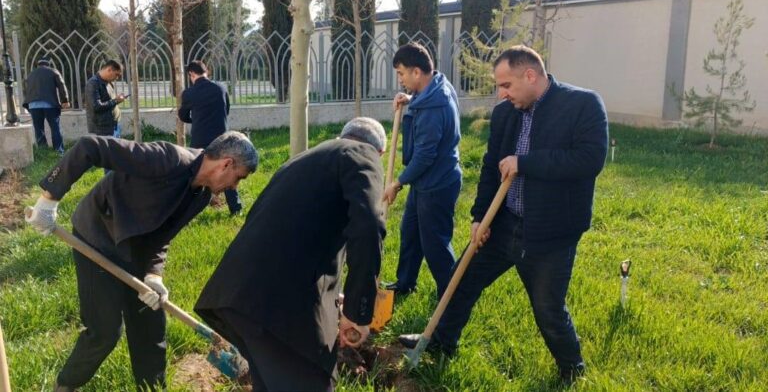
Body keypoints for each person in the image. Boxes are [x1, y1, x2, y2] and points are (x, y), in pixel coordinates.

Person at [397, 45, 609, 384]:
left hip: (550, 233)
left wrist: (524, 163)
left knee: (548, 309)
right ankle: (440, 343)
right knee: (460, 281)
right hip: (504, 222)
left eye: (506, 85)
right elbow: (490, 168)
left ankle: (572, 369)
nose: (502, 93)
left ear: (530, 75)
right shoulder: (506, 113)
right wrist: (480, 217)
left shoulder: (582, 105)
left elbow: (589, 159)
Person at [25, 131, 258, 392]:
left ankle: (152, 389)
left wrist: (154, 276)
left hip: (136, 248)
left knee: (151, 327)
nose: (235, 187)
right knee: (104, 332)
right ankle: (65, 385)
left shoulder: (201, 196)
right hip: (97, 238)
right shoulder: (167, 160)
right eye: (239, 178)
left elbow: (163, 234)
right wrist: (48, 200)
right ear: (226, 164)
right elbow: (90, 146)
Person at [195, 117, 387, 391]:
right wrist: (358, 313)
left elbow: (301, 234)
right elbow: (368, 226)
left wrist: (336, 297)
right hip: (277, 309)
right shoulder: (362, 154)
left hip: (238, 297)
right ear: (379, 152)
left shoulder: (303, 161)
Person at [381, 42, 462, 298]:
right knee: (411, 233)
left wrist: (398, 182)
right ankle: (405, 282)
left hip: (437, 184)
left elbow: (425, 156)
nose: (400, 80)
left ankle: (450, 296)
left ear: (417, 72)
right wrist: (410, 98)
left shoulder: (434, 108)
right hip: (425, 181)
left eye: (402, 74)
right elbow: (422, 98)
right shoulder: (435, 86)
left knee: (435, 243)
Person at [178, 60, 241, 215]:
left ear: (191, 74)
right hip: (222, 137)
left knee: (197, 173)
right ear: (207, 71)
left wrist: (197, 120)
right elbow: (226, 109)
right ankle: (236, 208)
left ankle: (189, 209)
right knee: (227, 169)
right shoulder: (221, 88)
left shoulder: (189, 93)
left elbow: (183, 116)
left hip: (199, 139)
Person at [23, 56, 70, 154]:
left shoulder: (30, 75)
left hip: (33, 105)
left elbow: (25, 91)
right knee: (55, 128)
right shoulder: (53, 71)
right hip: (50, 104)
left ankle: (43, 152)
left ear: (38, 64)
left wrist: (28, 104)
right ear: (48, 64)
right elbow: (62, 85)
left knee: (38, 129)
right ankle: (59, 151)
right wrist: (65, 100)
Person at [84, 59, 126, 138]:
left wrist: (117, 99)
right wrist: (116, 100)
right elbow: (96, 106)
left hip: (114, 124)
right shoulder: (93, 83)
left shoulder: (108, 82)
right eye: (116, 74)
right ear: (109, 69)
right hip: (102, 128)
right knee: (107, 150)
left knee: (116, 149)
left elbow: (109, 100)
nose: (117, 78)